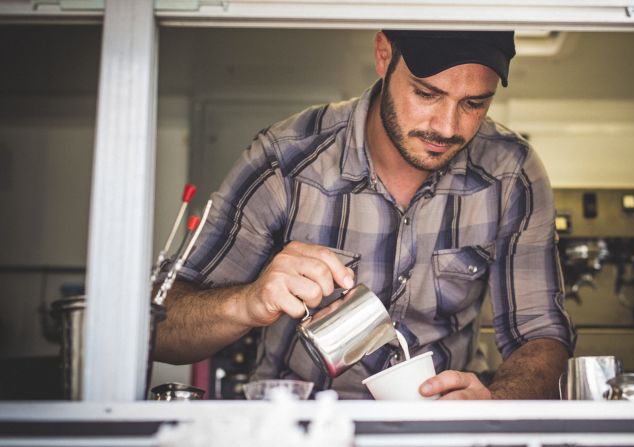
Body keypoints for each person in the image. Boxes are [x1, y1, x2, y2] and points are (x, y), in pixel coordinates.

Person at [154, 30, 574, 400]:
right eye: (427, 94)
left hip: (439, 434)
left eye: (474, 103)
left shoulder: (511, 173)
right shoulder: (286, 160)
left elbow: (541, 336)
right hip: (299, 431)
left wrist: (494, 404)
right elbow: (159, 329)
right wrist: (247, 302)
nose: (447, 127)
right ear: (383, 55)